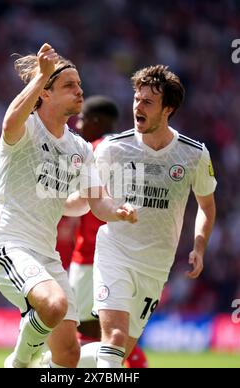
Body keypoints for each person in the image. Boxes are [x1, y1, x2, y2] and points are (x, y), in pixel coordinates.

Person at [0, 43, 137, 368]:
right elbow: (9, 121)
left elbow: (97, 203)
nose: (79, 91)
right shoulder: (25, 129)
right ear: (46, 93)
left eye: (80, 85)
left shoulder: (78, 147)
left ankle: (34, 363)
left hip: (46, 255)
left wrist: (117, 212)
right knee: (52, 306)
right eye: (69, 85)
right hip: (8, 246)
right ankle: (20, 362)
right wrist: (40, 75)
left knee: (68, 356)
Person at [86, 64, 217, 368]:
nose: (137, 107)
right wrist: (113, 210)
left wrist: (199, 246)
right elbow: (93, 199)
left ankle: (53, 366)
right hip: (115, 252)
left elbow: (207, 206)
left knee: (118, 351)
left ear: (168, 109)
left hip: (156, 266)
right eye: (136, 99)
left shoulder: (194, 154)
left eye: (147, 102)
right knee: (115, 339)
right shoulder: (113, 149)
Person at [66, 95, 148, 368]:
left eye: (82, 119)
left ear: (96, 121)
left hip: (92, 254)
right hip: (126, 251)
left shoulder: (96, 150)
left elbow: (84, 200)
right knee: (112, 332)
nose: (78, 125)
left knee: (90, 331)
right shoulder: (127, 148)